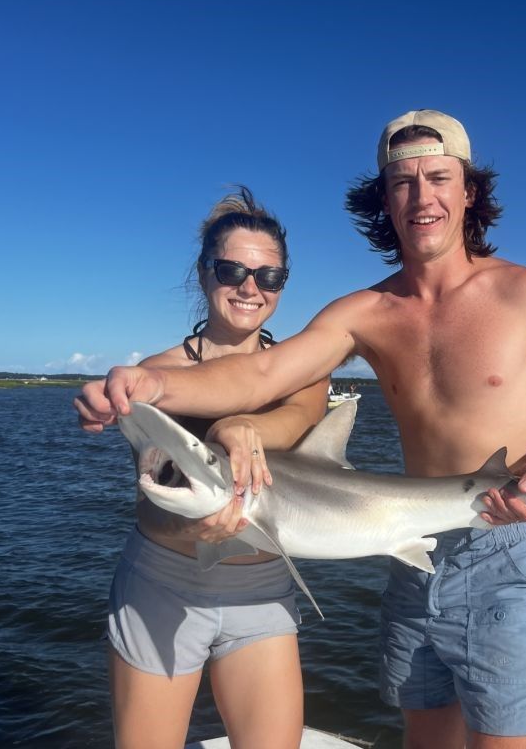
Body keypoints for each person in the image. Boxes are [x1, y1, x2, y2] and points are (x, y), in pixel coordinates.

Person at [77, 110, 526, 749]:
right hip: (410, 543)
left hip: (514, 541)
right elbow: (263, 376)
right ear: (384, 199)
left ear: (467, 191)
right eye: (403, 183)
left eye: (439, 178)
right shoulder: (363, 313)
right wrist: (151, 387)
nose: (422, 197)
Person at [101, 188, 328, 749]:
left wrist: (237, 426)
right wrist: (194, 527)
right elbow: (154, 490)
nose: (250, 288)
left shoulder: (306, 373)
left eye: (269, 276)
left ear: (282, 285)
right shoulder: (157, 375)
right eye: (232, 270)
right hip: (165, 583)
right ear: (203, 275)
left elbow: (297, 421)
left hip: (262, 589)